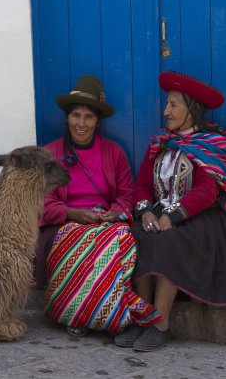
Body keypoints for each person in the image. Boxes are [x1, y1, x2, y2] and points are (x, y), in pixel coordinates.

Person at [115, 71, 226, 352]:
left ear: (192, 109)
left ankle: (160, 324)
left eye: (173, 105)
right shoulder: (160, 143)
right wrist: (146, 213)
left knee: (170, 241)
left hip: (198, 217)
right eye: (166, 104)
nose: (165, 111)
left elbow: (208, 190)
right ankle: (142, 317)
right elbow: (142, 184)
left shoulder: (206, 145)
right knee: (135, 236)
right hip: (160, 211)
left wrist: (174, 216)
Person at [33, 74, 162, 337]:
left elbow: (127, 193)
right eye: (75, 115)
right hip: (66, 223)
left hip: (107, 222)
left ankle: (102, 315)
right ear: (67, 118)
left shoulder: (113, 152)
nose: (81, 123)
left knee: (120, 239)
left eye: (88, 117)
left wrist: (114, 214)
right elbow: (41, 200)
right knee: (74, 239)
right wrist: (72, 213)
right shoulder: (50, 154)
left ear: (97, 121)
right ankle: (75, 312)